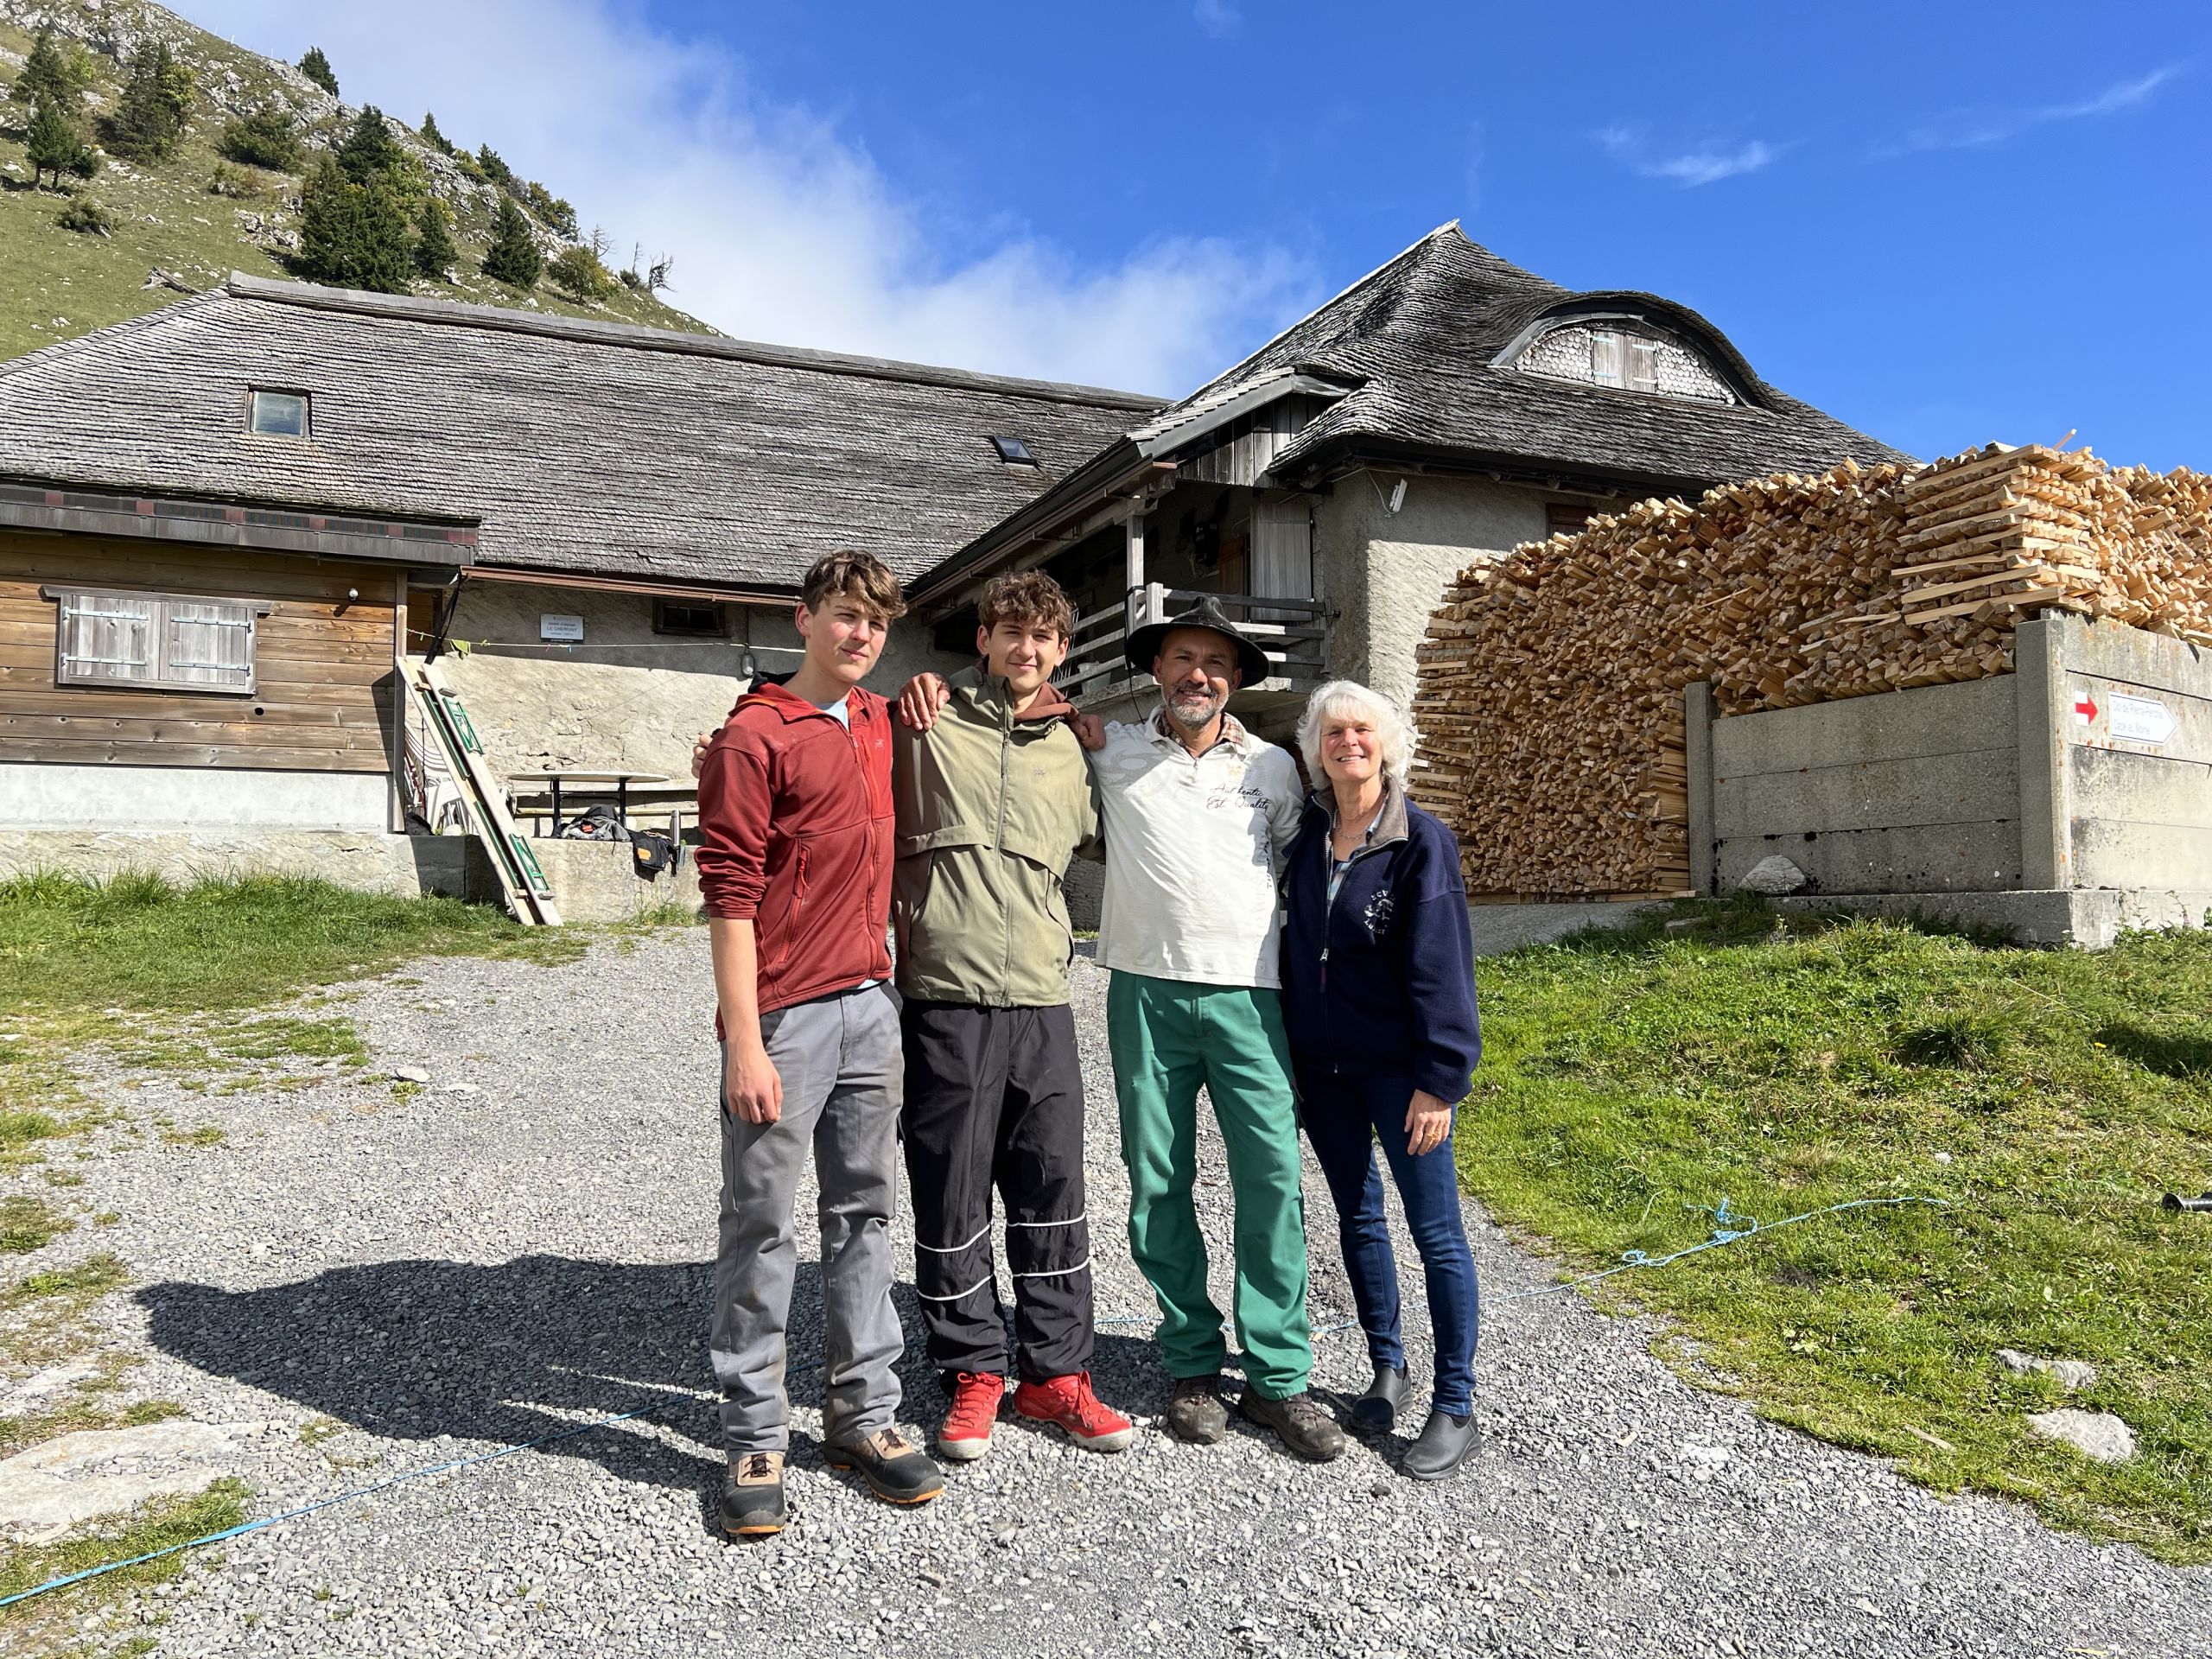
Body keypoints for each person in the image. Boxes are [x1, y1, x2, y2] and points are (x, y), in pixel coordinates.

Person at [907, 596, 1343, 1462]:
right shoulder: (1107, 748)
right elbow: (1017, 730)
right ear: (1156, 669)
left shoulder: (1274, 768)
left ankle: (1279, 1377)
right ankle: (1188, 1364)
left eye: (1216, 664)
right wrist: (933, 683)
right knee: (1157, 1183)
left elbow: (1300, 870)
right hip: (1142, 988)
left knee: (1270, 1183)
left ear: (1237, 679)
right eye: (1182, 658)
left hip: (1249, 995)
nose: (1198, 676)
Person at [695, 550, 944, 1539]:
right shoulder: (753, 738)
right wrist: (743, 1044)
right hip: (786, 1019)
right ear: (803, 620)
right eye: (844, 617)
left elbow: (964, 704)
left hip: (871, 1003)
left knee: (864, 1212)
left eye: (876, 623)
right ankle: (755, 1429)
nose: (860, 636)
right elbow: (727, 895)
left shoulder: (882, 720)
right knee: (760, 1221)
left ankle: (863, 1413)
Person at [890, 569, 1134, 1462]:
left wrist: (1098, 740)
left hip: (1041, 999)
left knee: (1051, 1191)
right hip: (945, 999)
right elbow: (827, 750)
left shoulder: (1076, 749)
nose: (1024, 649)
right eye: (1008, 632)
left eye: (1043, 637)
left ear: (1060, 651)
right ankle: (971, 1371)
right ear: (983, 640)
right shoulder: (922, 722)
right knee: (950, 1189)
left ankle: (1056, 1374)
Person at [1279, 679, 1483, 1479]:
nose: (1348, 742)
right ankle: (1388, 1368)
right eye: (1333, 732)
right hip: (1326, 1073)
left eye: (1362, 730)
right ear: (1316, 748)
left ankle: (1456, 1402)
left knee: (1436, 1234)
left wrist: (1441, 1077)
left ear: (1386, 744)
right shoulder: (1306, 839)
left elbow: (1443, 966)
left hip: (1404, 1075)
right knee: (1358, 1221)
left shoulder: (1422, 840)